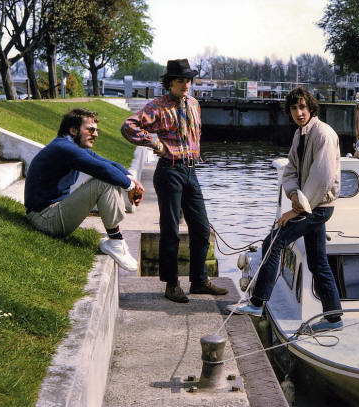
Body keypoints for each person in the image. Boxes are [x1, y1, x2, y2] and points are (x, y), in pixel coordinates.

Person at [228, 87, 343, 333]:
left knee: (274, 241)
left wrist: (296, 210)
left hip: (318, 208)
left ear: (311, 108)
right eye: (294, 108)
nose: (299, 112)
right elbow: (290, 169)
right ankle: (334, 318)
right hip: (311, 206)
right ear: (289, 112)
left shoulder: (323, 134)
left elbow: (322, 178)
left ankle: (257, 303)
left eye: (303, 107)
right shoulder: (299, 134)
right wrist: (291, 193)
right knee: (317, 262)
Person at [121, 58, 228, 303]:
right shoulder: (158, 106)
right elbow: (128, 126)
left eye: (188, 80)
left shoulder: (194, 104)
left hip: (191, 171)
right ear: (170, 82)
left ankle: (199, 281)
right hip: (169, 171)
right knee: (170, 230)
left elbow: (195, 135)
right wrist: (154, 142)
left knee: (201, 229)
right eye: (180, 80)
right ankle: (171, 284)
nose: (186, 84)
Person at [24, 108, 143, 271]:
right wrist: (129, 187)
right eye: (91, 130)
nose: (96, 134)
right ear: (73, 130)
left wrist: (132, 180)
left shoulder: (72, 146)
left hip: (53, 212)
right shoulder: (64, 148)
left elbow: (110, 164)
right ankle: (116, 241)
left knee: (110, 176)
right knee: (104, 181)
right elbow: (103, 170)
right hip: (44, 219)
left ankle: (116, 242)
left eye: (97, 130)